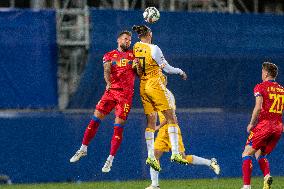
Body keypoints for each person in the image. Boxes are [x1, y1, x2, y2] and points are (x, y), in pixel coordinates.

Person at [70, 30, 139, 173]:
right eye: (125, 39)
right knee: (95, 119)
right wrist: (108, 82)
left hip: (125, 96)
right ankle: (83, 149)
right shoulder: (109, 55)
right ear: (118, 40)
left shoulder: (135, 56)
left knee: (118, 127)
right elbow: (106, 70)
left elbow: (139, 74)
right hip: (111, 92)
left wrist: (138, 66)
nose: (128, 41)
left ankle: (110, 159)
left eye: (129, 40)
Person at [132, 25, 188, 172]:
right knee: (172, 118)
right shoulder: (154, 49)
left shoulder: (136, 47)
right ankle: (176, 153)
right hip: (154, 84)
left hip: (143, 86)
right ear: (149, 33)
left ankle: (150, 155)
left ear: (138, 35)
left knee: (150, 122)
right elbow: (167, 68)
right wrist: (180, 71)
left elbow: (135, 69)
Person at [145, 86, 220, 189]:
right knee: (154, 156)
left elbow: (172, 117)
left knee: (182, 157)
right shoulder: (156, 93)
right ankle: (154, 185)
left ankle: (210, 162)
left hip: (172, 130)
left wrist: (157, 126)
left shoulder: (167, 95)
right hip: (163, 132)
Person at [241, 62, 284, 189]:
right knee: (259, 154)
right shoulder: (282, 89)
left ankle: (246, 186)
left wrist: (251, 123)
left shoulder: (260, 87)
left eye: (262, 71)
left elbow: (258, 107)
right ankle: (266, 177)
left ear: (265, 73)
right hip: (278, 127)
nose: (261, 73)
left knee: (246, 154)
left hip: (265, 125)